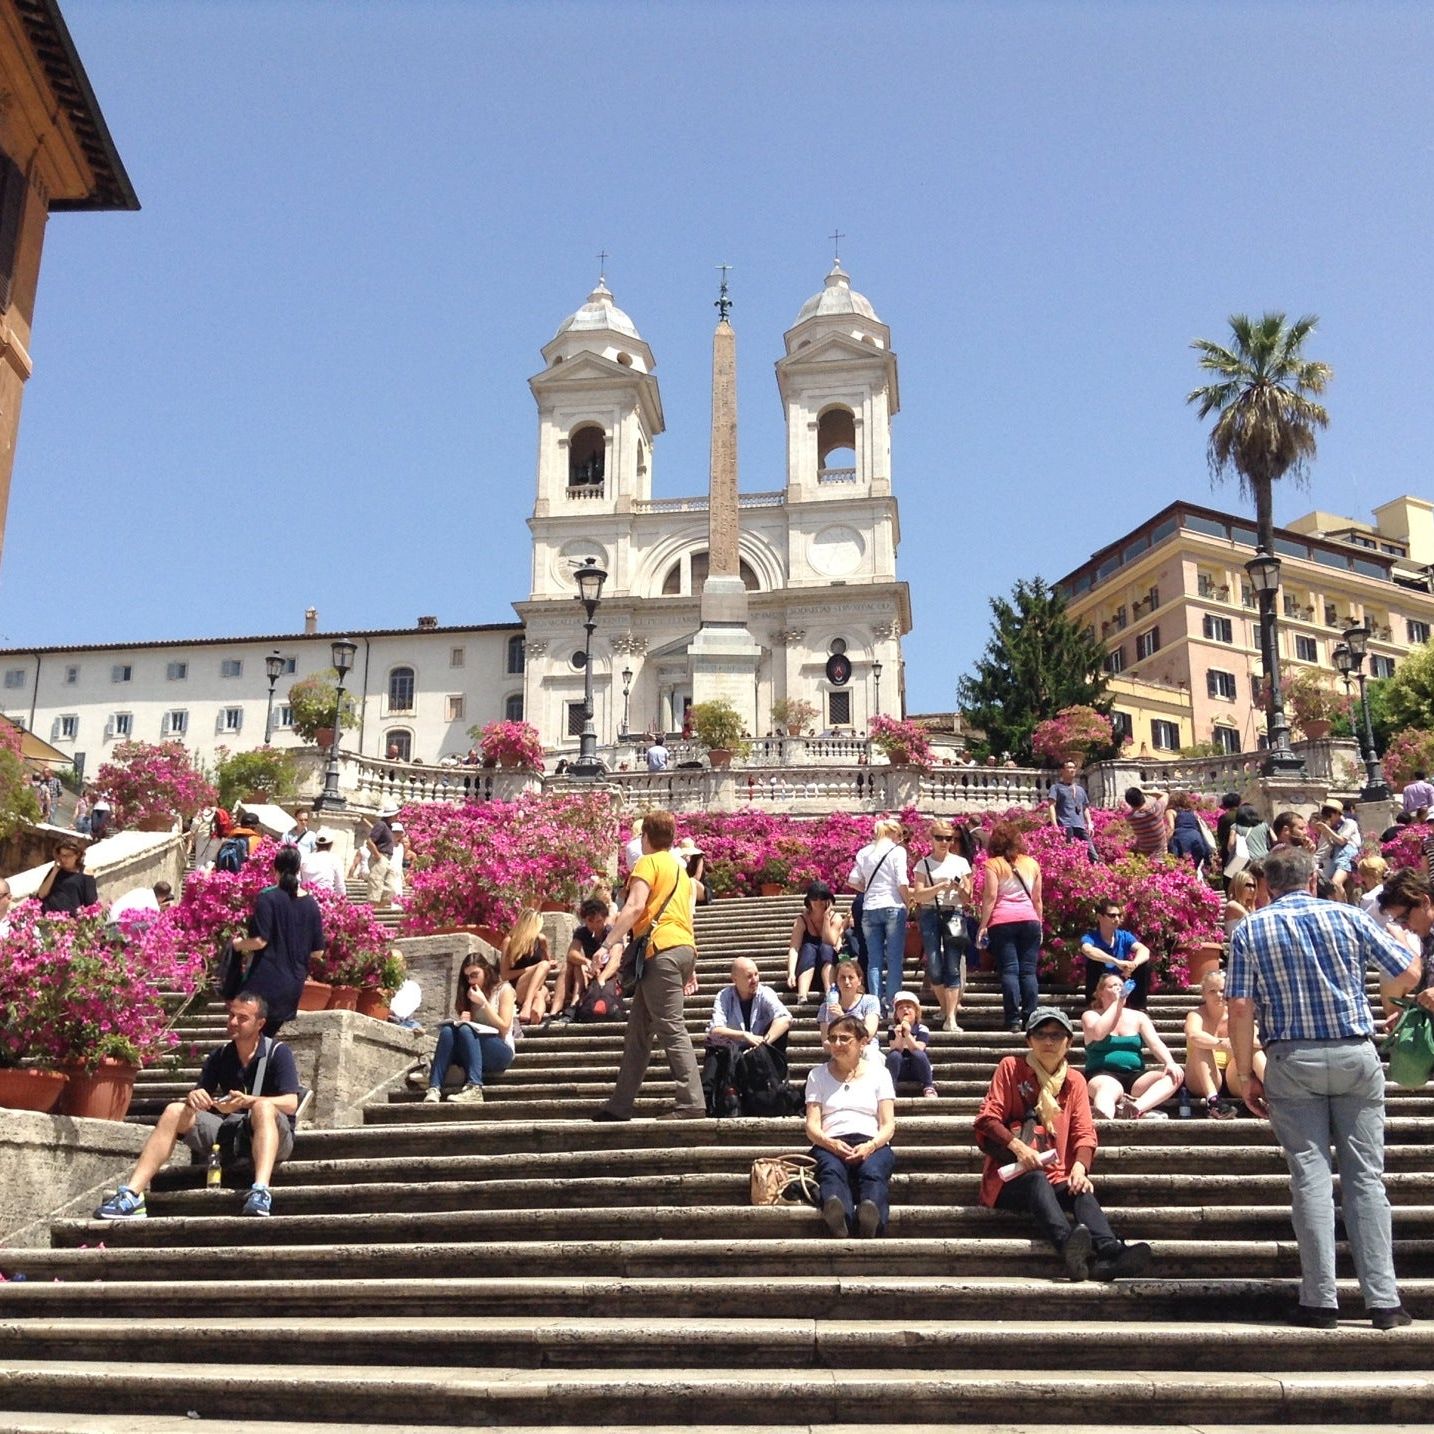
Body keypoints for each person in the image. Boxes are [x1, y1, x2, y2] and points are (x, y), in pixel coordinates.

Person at [1229, 844, 1419, 1329]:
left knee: (1310, 1180)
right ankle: (1384, 1301)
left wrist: (1247, 1073)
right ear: (1313, 879)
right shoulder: (1348, 916)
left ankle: (1320, 1300)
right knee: (1366, 1179)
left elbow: (1240, 1007)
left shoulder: (1251, 927)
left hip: (1291, 1057)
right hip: (1355, 1051)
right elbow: (1407, 969)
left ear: (1268, 886)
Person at [974, 1007, 1153, 1281]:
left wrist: (1080, 1167)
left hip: (1055, 1174)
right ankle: (1069, 1246)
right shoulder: (1011, 1068)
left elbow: (1084, 1130)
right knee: (1036, 1179)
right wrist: (1019, 1148)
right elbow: (987, 1119)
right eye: (1041, 1034)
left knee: (1079, 1189)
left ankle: (1109, 1252)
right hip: (1010, 1178)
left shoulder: (1075, 1081)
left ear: (1068, 1042)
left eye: (1057, 1036)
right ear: (1029, 1041)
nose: (1049, 1042)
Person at [94, 993, 300, 1219]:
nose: (233, 1022)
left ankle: (260, 1191)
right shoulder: (220, 1055)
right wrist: (195, 1097)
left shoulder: (278, 1053)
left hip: (274, 1137)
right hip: (231, 1133)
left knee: (263, 1108)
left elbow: (291, 1103)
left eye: (242, 1018)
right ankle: (133, 1195)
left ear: (260, 1024)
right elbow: (201, 1097)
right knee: (174, 1111)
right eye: (231, 1015)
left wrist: (250, 1101)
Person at [594, 809, 704, 1121]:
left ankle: (692, 1102)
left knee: (671, 1026)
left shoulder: (648, 862)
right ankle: (620, 1105)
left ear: (645, 837)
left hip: (661, 951)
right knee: (639, 1032)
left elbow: (635, 905)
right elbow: (685, 915)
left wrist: (607, 944)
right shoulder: (681, 870)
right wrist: (691, 966)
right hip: (681, 948)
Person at [805, 1014, 896, 1238]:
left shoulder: (880, 1074)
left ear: (862, 1041)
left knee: (873, 1171)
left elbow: (888, 1124)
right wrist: (830, 1143)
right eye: (832, 1038)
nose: (837, 1044)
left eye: (844, 1039)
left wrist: (871, 1146)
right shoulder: (817, 1075)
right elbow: (812, 1125)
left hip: (870, 1141)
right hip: (831, 1141)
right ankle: (839, 1218)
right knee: (831, 1171)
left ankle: (871, 1216)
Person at [228, 846, 325, 1035]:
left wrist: (237, 944)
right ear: (298, 870)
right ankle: (262, 1065)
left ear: (275, 869)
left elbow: (259, 941)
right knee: (265, 1040)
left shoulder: (267, 897)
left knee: (246, 1038)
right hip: (292, 986)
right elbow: (317, 952)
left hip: (263, 982)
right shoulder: (311, 904)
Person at [1080, 972, 1183, 1120]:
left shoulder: (1138, 1017)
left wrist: (1169, 1062)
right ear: (1101, 993)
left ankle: (1136, 1108)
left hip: (1135, 1076)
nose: (1118, 988)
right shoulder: (1091, 1015)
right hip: (1103, 1074)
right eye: (1112, 986)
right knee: (1107, 1089)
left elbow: (1155, 1043)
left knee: (1174, 1075)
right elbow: (1098, 1033)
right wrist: (1117, 1003)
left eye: (1121, 986)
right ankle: (1105, 1121)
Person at [702, 956, 792, 1114]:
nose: (755, 980)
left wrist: (762, 1043)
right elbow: (715, 1029)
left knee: (779, 1032)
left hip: (759, 1056)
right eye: (749, 976)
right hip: (733, 1054)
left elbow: (785, 1018)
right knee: (714, 1044)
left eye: (756, 974)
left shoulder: (765, 993)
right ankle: (706, 1099)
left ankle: (773, 1092)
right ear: (735, 979)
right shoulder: (724, 996)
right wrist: (743, 1035)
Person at [977, 821, 1044, 1034]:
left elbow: (990, 897)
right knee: (1028, 971)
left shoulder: (993, 864)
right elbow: (1038, 899)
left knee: (1010, 970)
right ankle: (1031, 1017)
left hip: (1002, 920)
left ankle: (1013, 1019)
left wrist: (983, 925)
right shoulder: (1032, 864)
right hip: (1030, 920)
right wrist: (1039, 924)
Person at [422, 956, 517, 1104]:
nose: (471, 981)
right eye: (467, 977)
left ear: (486, 971)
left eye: (474, 975)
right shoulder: (468, 994)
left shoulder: (504, 990)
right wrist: (464, 1020)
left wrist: (484, 1003)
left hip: (500, 1050)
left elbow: (504, 1028)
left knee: (466, 1029)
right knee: (448, 1031)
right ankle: (434, 1087)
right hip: (475, 1051)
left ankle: (474, 1087)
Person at [909, 822, 973, 1032]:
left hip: (954, 913)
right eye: (939, 837)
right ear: (932, 839)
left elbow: (967, 899)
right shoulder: (923, 864)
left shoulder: (961, 863)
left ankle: (951, 1018)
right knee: (935, 964)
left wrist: (959, 888)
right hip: (929, 913)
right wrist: (938, 886)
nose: (944, 842)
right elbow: (918, 895)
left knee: (953, 966)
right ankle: (946, 1009)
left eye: (948, 838)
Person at [846, 817, 912, 1017]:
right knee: (893, 959)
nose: (899, 839)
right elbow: (901, 881)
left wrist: (868, 889)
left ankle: (874, 1006)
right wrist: (908, 902)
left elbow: (852, 880)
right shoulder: (897, 851)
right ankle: (893, 1004)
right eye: (899, 834)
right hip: (892, 906)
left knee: (874, 960)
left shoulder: (865, 852)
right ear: (893, 833)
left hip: (869, 908)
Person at [1183, 968, 1262, 1119]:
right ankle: (1213, 1102)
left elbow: (1260, 1040)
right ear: (1204, 994)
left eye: (1223, 990)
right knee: (1200, 1045)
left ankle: (1278, 1094)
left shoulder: (1237, 1016)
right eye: (1212, 991)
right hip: (1201, 1077)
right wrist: (1220, 1043)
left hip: (1234, 1076)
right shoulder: (1196, 1015)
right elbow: (1193, 1035)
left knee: (1255, 1051)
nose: (1219, 995)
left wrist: (1240, 1040)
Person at [552, 897, 615, 1022]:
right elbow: (571, 953)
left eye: (598, 921)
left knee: (576, 965)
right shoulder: (582, 931)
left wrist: (599, 972)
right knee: (572, 964)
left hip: (607, 975)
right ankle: (555, 1010)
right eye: (590, 921)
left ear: (605, 918)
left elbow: (616, 959)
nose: (594, 925)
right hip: (588, 971)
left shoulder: (611, 933)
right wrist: (587, 962)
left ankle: (573, 1006)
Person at [1078, 902, 1151, 1009]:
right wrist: (1116, 962)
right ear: (1099, 917)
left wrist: (1133, 965)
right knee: (1093, 962)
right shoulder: (1091, 937)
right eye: (1112, 915)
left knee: (1144, 964)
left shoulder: (1124, 936)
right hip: (1101, 981)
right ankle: (1094, 1005)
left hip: (1122, 979)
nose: (1117, 919)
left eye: (1119, 915)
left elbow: (1144, 950)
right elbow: (1087, 950)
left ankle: (1139, 1008)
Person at [786, 882, 842, 1005]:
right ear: (809, 900)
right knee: (808, 948)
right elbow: (794, 948)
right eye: (814, 897)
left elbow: (830, 941)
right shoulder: (801, 920)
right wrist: (791, 973)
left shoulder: (836, 918)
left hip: (828, 970)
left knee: (826, 948)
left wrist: (826, 917)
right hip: (806, 971)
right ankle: (802, 995)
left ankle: (830, 994)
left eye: (822, 897)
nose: (818, 901)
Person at [500, 908, 554, 1027]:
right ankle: (527, 1004)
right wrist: (533, 968)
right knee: (543, 967)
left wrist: (551, 963)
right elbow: (504, 975)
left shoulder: (541, 940)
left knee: (540, 994)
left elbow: (548, 962)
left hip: (538, 986)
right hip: (519, 987)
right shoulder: (509, 942)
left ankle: (535, 1018)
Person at [820, 958, 882, 1056]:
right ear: (836, 981)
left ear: (859, 980)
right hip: (839, 1053)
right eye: (842, 977)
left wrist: (843, 1018)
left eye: (851, 977)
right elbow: (826, 1043)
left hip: (866, 1051)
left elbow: (868, 1033)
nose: (847, 982)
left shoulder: (870, 1001)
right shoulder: (826, 1007)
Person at [886, 989, 937, 1097]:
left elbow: (918, 1048)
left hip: (917, 1068)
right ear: (896, 1015)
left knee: (919, 1054)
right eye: (900, 1008)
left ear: (916, 1012)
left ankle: (928, 1086)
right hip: (900, 1068)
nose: (905, 1009)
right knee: (894, 1055)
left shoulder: (922, 1028)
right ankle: (890, 1088)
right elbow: (895, 1048)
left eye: (909, 1007)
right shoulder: (892, 1028)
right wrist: (899, 1035)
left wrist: (908, 1034)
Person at [1046, 758, 1096, 860]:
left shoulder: (1080, 789)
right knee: (1070, 854)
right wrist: (1055, 826)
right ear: (1062, 770)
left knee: (1092, 854)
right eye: (1069, 767)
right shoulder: (1056, 788)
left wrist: (1090, 824)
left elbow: (1085, 808)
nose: (1072, 770)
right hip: (1066, 825)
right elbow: (1051, 806)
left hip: (1080, 826)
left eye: (1073, 768)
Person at [1312, 800, 1361, 902]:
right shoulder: (1334, 828)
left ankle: (1344, 906)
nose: (1329, 818)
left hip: (1348, 855)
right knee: (1325, 883)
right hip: (1336, 856)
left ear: (1338, 814)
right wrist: (1325, 833)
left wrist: (1327, 829)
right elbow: (1333, 845)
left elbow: (1342, 841)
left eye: (1330, 815)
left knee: (1336, 882)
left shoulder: (1349, 823)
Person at [36, 840, 98, 915]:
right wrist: (54, 871)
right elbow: (41, 895)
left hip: (69, 921)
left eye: (67, 856)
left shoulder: (85, 874)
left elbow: (91, 903)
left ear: (77, 855)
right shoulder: (55, 871)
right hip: (48, 916)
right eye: (61, 855)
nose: (63, 859)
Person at [1167, 790, 1212, 868]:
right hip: (1196, 837)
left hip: (1181, 839)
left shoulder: (1171, 811)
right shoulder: (1191, 811)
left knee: (1180, 866)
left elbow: (1171, 828)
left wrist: (1165, 842)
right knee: (1195, 866)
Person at [366, 803, 399, 907]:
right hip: (381, 857)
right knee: (375, 888)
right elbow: (370, 841)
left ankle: (376, 908)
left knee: (391, 890)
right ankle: (372, 910)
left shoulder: (388, 827)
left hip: (388, 858)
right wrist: (377, 855)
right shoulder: (381, 825)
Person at [1123, 785, 1169, 859]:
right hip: (1161, 857)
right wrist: (1144, 791)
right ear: (1142, 797)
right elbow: (1165, 794)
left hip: (1144, 857)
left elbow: (1132, 810)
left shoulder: (1131, 818)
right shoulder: (1156, 810)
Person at [299, 829, 346, 898]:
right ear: (331, 844)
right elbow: (340, 885)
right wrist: (343, 900)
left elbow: (298, 880)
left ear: (316, 843)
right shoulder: (335, 859)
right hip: (325, 900)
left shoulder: (304, 858)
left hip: (306, 899)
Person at [1224, 869, 1257, 937]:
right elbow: (1254, 923)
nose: (1252, 889)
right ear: (1239, 885)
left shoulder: (1248, 908)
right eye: (1248, 885)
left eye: (1253, 886)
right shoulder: (1232, 905)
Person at [389, 820, 408, 902]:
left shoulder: (401, 846)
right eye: (395, 832)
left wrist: (402, 876)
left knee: (398, 896)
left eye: (399, 832)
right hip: (388, 874)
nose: (397, 834)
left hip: (397, 875)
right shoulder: (386, 845)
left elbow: (399, 862)